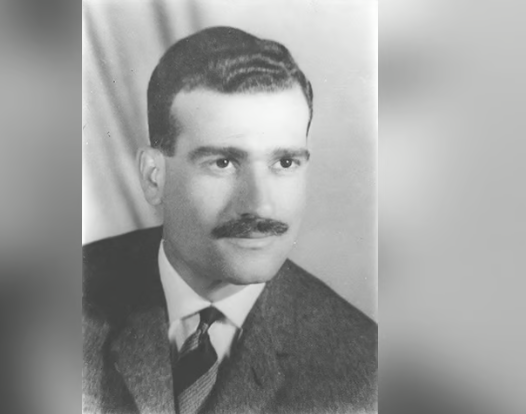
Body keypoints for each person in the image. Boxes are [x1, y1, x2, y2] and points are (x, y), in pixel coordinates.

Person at [83, 26, 377, 414]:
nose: (260, 205)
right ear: (154, 177)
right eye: (223, 163)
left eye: (284, 162)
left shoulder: (365, 374)